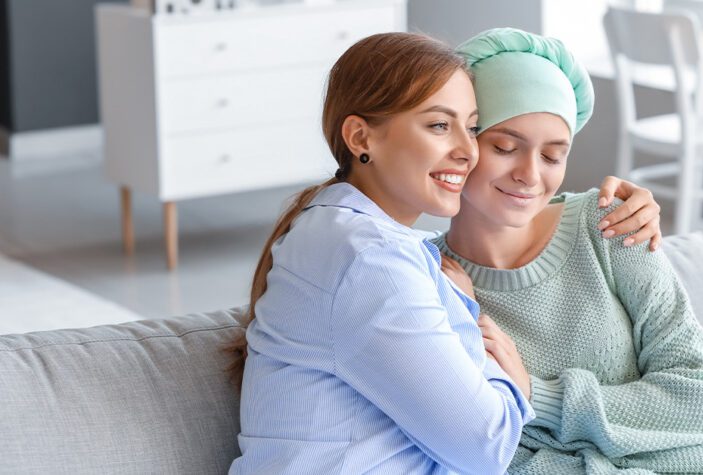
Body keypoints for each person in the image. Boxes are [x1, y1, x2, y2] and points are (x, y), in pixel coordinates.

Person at [225, 32, 664, 474]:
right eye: (439, 125)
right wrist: (464, 310)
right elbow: (487, 447)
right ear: (361, 137)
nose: (466, 150)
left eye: (471, 128)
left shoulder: (345, 233)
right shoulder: (370, 259)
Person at [434, 28, 703, 474]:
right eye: (504, 147)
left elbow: (702, 399)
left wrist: (536, 396)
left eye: (554, 156)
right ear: (462, 143)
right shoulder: (431, 281)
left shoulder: (611, 224)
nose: (530, 175)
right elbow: (497, 455)